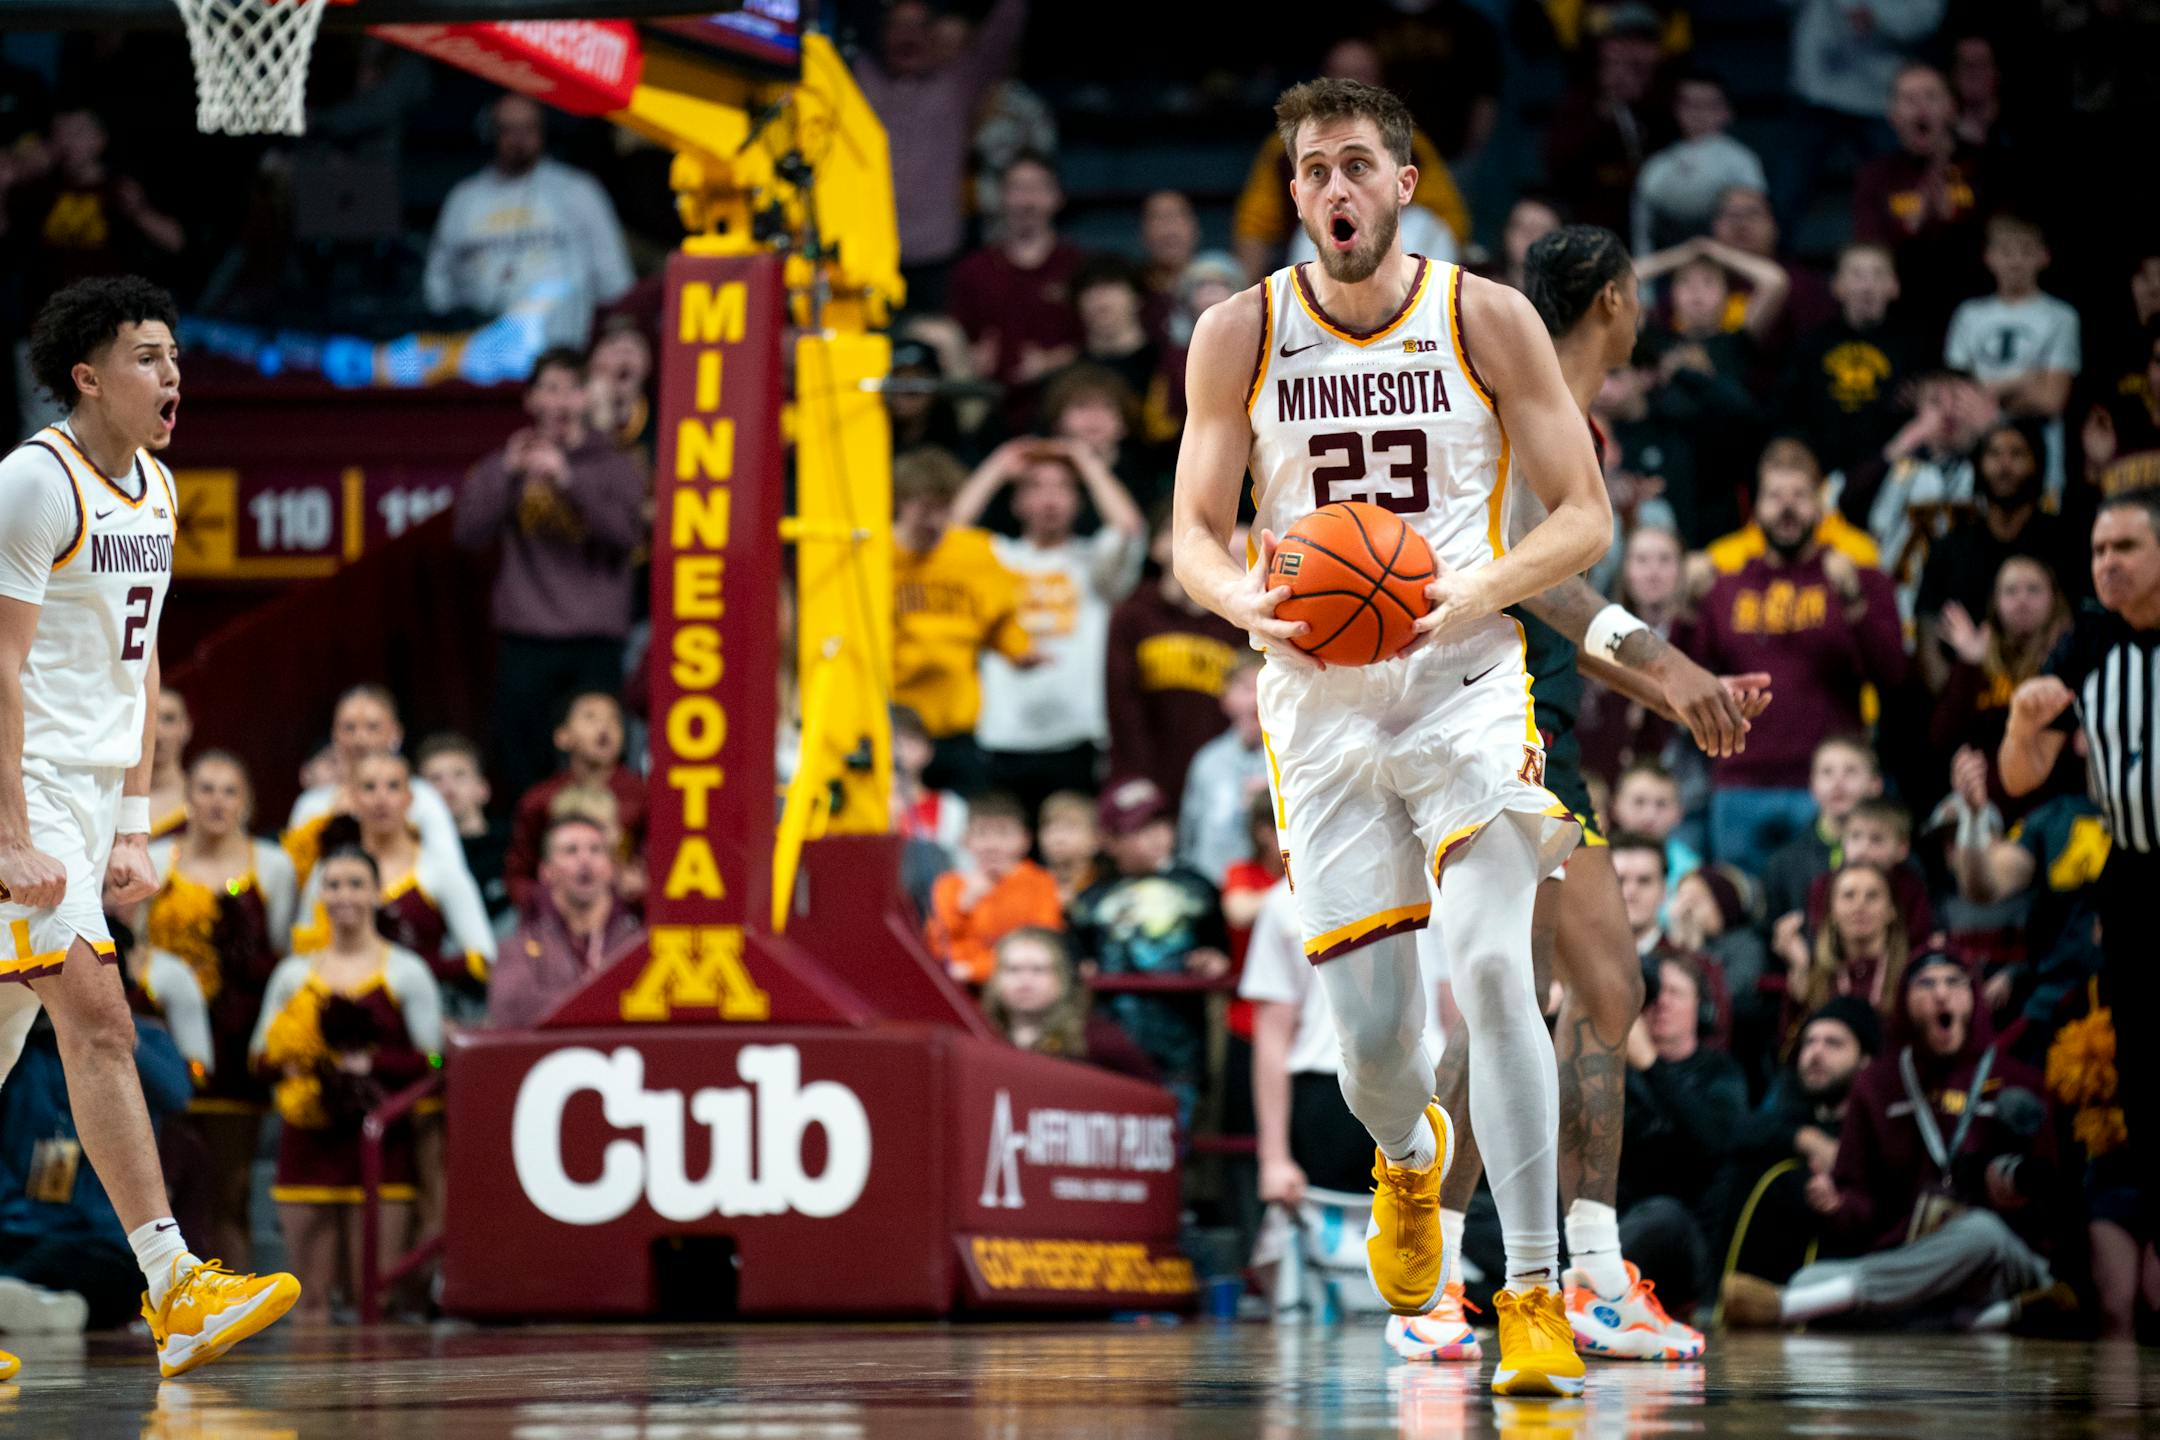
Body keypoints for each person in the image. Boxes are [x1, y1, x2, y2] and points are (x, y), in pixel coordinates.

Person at [1170, 77, 1620, 1398]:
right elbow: (1193, 533)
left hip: (1468, 681)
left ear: (1405, 185)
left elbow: (1581, 516)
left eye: (1359, 164)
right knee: (1373, 1048)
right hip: (1317, 704)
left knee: (1492, 971)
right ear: (1296, 192)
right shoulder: (1236, 334)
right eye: (1313, 170)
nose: (1336, 189)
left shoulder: (1487, 316)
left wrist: (1461, 593)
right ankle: (1409, 1156)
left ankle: (1528, 1292)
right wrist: (1243, 593)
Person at [1426, 225, 1770, 1370]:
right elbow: (1552, 580)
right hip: (1510, 731)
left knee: (1533, 1001)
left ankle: (1460, 1270)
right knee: (1592, 992)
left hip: (1526, 728)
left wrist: (1675, 689)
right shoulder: (1535, 409)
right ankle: (1565, 1275)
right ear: (1618, 301)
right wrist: (1671, 666)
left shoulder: (1537, 406)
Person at [0, 275, 297, 1379]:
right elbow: (1, 665)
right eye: (146, 358)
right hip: (18, 783)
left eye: (175, 356)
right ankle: (174, 1285)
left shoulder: (160, 491)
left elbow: (140, 661)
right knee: (101, 1026)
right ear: (88, 376)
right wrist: (14, 834)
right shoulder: (35, 482)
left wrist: (129, 819)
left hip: (83, 795)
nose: (171, 377)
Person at [1722, 954, 2065, 1333]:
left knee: (1982, 1233)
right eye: (1926, 984)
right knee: (1812, 1279)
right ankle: (1981, 1322)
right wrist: (1839, 1205)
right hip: (1907, 1261)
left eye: (1953, 982)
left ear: (1974, 997)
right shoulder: (1878, 1085)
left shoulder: (2019, 1080)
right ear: (1904, 998)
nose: (1941, 995)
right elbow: (1862, 1201)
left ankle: (1789, 1306)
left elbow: (2054, 1195)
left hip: (1995, 1259)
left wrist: (2020, 1196)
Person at [2000, 488, 2160, 1278]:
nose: (2108, 565)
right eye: (2100, 551)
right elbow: (2019, 777)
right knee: (2139, 1074)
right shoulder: (2089, 641)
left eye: (2126, 548)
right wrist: (2022, 727)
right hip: (2131, 875)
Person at [1241, 876, 1467, 1362]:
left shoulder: (1441, 885)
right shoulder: (1285, 902)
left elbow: (1456, 1021)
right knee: (1345, 1259)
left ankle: (1447, 1307)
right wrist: (1274, 1158)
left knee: (1450, 1225)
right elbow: (1273, 1035)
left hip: (1430, 1087)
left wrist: (1463, 1106)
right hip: (1328, 1095)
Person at [1685, 450, 1908, 867]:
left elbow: (1893, 675)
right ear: (1755, 509)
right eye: (1775, 495)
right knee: (1741, 907)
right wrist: (1685, 608)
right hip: (1739, 782)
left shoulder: (1862, 579)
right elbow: (1686, 676)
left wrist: (1855, 603)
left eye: (1800, 495)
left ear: (1821, 507)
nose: (1787, 506)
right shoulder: (1724, 585)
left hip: (1829, 786)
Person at [252, 843, 442, 1325]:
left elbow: (436, 1061)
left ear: (378, 893)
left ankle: (376, 1400)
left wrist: (372, 1063)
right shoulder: (293, 973)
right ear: (319, 894)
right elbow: (260, 1057)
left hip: (381, 1151)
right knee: (308, 1303)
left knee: (373, 1300)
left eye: (357, 884)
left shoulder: (407, 972)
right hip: (307, 1146)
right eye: (333, 884)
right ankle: (314, 1400)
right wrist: (296, 1061)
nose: (345, 895)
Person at [452, 348, 646, 806]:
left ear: (586, 398)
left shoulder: (614, 465)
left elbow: (626, 535)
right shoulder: (507, 464)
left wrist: (567, 480)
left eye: (571, 389)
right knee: (522, 764)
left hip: (594, 642)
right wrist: (508, 473)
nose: (560, 401)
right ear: (531, 400)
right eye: (550, 389)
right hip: (527, 638)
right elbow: (468, 532)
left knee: (600, 760)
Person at [142, 751, 295, 1269]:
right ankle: (167, 1289)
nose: (216, 801)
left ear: (247, 802)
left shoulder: (271, 866)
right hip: (165, 1045)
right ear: (187, 798)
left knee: (229, 1186)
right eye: (206, 789)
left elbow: (281, 954)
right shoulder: (158, 860)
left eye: (230, 790)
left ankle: (238, 1291)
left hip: (235, 1044)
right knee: (165, 1186)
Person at [954, 438, 1145, 818]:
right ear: (1016, 502)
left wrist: (1088, 464)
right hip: (1003, 733)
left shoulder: (1093, 562)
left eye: (1062, 488)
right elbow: (949, 535)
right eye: (1035, 487)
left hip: (1075, 736)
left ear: (1078, 500)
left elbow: (1128, 527)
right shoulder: (996, 557)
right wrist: (997, 465)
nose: (1050, 499)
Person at [1231, 38, 1470, 283]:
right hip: (1311, 274)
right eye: (1317, 171)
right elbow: (1253, 229)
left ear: (1380, 83)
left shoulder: (1409, 143)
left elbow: (1448, 225)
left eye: (1361, 74)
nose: (1350, 84)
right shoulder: (1284, 147)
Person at [1066, 777, 1228, 1127]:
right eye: (1137, 829)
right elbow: (1076, 958)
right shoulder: (1088, 902)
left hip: (1181, 1049)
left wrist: (1213, 960)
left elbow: (1219, 948)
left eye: (1159, 823)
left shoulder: (1199, 889)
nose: (1155, 836)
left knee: (1174, 1146)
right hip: (1109, 1050)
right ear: (1107, 841)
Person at [422, 95, 633, 349]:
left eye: (528, 128)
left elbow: (614, 279)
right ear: (489, 133)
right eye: (509, 129)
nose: (519, 139)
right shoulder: (464, 198)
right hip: (480, 354)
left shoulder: (577, 190)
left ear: (543, 131)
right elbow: (438, 282)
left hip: (560, 354)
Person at [853, 0, 1027, 307]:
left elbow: (1003, 29)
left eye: (919, 25)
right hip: (868, 253)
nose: (908, 34)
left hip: (937, 256)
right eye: (898, 25)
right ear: (882, 35)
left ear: (934, 36)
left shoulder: (957, 85)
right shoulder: (861, 80)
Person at [291, 758, 496, 1006]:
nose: (381, 798)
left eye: (393, 786)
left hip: (428, 1005)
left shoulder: (439, 870)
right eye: (369, 787)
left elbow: (483, 958)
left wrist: (406, 972)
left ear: (409, 798)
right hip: (341, 1010)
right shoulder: (328, 871)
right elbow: (303, 953)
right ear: (353, 798)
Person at [891, 449, 1035, 796]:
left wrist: (1019, 650)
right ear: (901, 502)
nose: (933, 520)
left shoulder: (975, 551)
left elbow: (1003, 616)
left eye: (943, 508)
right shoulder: (873, 553)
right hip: (896, 722)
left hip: (958, 725)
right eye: (923, 508)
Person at [1613, 952, 1747, 1321]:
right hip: (1618, 1224)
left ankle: (1576, 1282)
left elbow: (1712, 1141)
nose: (1662, 1003)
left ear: (1701, 1009)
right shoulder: (1617, 1070)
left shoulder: (1721, 1072)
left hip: (1682, 1237)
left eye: (1675, 992)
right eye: (1653, 994)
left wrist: (1651, 1065)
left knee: (1663, 1217)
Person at [1716, 998, 1881, 1286]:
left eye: (1833, 1043)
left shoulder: (1878, 1126)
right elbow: (1732, 1133)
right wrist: (1806, 1139)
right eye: (1809, 1042)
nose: (1815, 1053)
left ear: (1865, 1059)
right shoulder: (1793, 1112)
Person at [1105, 508, 1245, 805]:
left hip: (1221, 778)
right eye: (1174, 528)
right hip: (1149, 779)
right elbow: (1121, 704)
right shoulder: (1132, 614)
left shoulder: (1237, 615)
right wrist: (1132, 775)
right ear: (1154, 547)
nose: (1186, 538)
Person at [1930, 555, 2080, 819]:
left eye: (2033, 590)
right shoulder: (1977, 661)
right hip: (1984, 803)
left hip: (2052, 805)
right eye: (2010, 591)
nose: (2022, 599)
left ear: (2053, 599)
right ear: (1995, 602)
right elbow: (1942, 737)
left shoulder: (2071, 656)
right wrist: (1969, 664)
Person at [285, 685, 470, 890]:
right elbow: (293, 886)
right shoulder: (311, 805)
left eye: (372, 727)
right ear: (334, 735)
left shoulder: (423, 798)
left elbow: (451, 874)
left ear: (396, 733)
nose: (360, 739)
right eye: (349, 728)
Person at [947, 152, 1083, 427]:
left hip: (1060, 403)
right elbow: (957, 338)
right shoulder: (975, 269)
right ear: (1001, 197)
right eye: (1017, 189)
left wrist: (1053, 361)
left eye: (1038, 189)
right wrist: (968, 360)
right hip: (988, 405)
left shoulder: (1077, 266)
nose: (1027, 201)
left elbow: (1098, 342)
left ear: (1057, 197)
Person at [1852, 63, 1988, 336]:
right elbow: (1869, 250)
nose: (1921, 108)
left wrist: (1954, 225)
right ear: (1893, 115)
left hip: (1979, 307)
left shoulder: (1988, 165)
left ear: (1951, 108)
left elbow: (2008, 242)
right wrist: (1911, 229)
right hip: (1903, 314)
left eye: (1931, 97)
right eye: (1909, 100)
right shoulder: (1875, 175)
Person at [1776, 244, 1930, 480]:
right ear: (1837, 286)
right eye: (1856, 274)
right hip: (1825, 471)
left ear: (1894, 286)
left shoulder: (1914, 346)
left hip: (1895, 472)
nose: (1867, 286)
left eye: (1878, 274)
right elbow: (1788, 411)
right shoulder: (1814, 344)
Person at [485, 814, 643, 1031]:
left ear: (611, 868)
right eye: (571, 851)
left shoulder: (638, 940)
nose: (585, 860)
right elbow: (511, 1010)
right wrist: (606, 1003)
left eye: (596, 850)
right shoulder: (519, 944)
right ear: (546, 871)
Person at [500, 691, 644, 916]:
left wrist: (642, 890)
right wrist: (547, 904)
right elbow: (518, 875)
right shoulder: (538, 800)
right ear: (563, 737)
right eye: (590, 717)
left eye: (613, 720)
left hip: (630, 916)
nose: (604, 727)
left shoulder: (644, 796)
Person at [1943, 215, 2081, 424]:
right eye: (2006, 252)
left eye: (2026, 251)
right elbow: (1955, 395)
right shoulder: (1969, 314)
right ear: (1989, 257)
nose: (2016, 261)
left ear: (2044, 257)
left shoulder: (2061, 316)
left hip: (2038, 440)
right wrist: (2022, 382)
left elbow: (2051, 400)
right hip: (1977, 440)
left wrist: (1985, 394)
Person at [980, 927, 1155, 1081]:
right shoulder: (977, 1035)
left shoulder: (1100, 1041)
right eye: (1013, 969)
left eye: (1039, 970)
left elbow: (1154, 1101)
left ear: (1062, 978)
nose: (1025, 981)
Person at [924, 793, 1062, 987]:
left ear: (1026, 839)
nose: (992, 844)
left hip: (1021, 986)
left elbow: (1041, 945)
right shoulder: (949, 884)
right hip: (959, 988)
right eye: (982, 833)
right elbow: (937, 947)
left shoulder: (1041, 883)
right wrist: (963, 906)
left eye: (1003, 833)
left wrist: (975, 969)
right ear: (966, 840)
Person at [1775, 864, 1912, 1054]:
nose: (1859, 905)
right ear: (1831, 912)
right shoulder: (1812, 976)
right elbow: (1789, 1054)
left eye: (1872, 896)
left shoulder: (1910, 975)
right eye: (1848, 895)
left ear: (1892, 910)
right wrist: (1799, 973)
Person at [1631, 70, 1768, 256]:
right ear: (1676, 109)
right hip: (1671, 262)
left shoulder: (1741, 160)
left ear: (1726, 111)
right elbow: (1642, 230)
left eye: (1708, 105)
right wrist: (1645, 284)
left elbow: (1756, 223)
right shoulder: (1657, 165)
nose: (1698, 113)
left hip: (1731, 261)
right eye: (1689, 104)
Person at [1758, 735, 1883, 930]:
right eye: (1827, 772)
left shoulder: (1897, 857)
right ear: (1812, 785)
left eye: (1850, 771)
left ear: (1875, 785)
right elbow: (1767, 934)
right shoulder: (1783, 864)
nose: (1837, 783)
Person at [1177, 656, 1269, 886]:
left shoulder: (1294, 757)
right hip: (1212, 881)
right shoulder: (1209, 760)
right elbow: (1190, 832)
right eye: (1246, 688)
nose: (1255, 699)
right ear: (1226, 698)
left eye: (1264, 687)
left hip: (1267, 884)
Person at [416, 733, 511, 925]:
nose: (448, 788)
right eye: (435, 779)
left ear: (483, 789)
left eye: (459, 775)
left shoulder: (514, 846)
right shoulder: (416, 855)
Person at [145, 687, 188, 840]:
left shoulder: (200, 799)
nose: (158, 731)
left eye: (169, 719)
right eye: (147, 718)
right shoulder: (112, 796)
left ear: (186, 728)